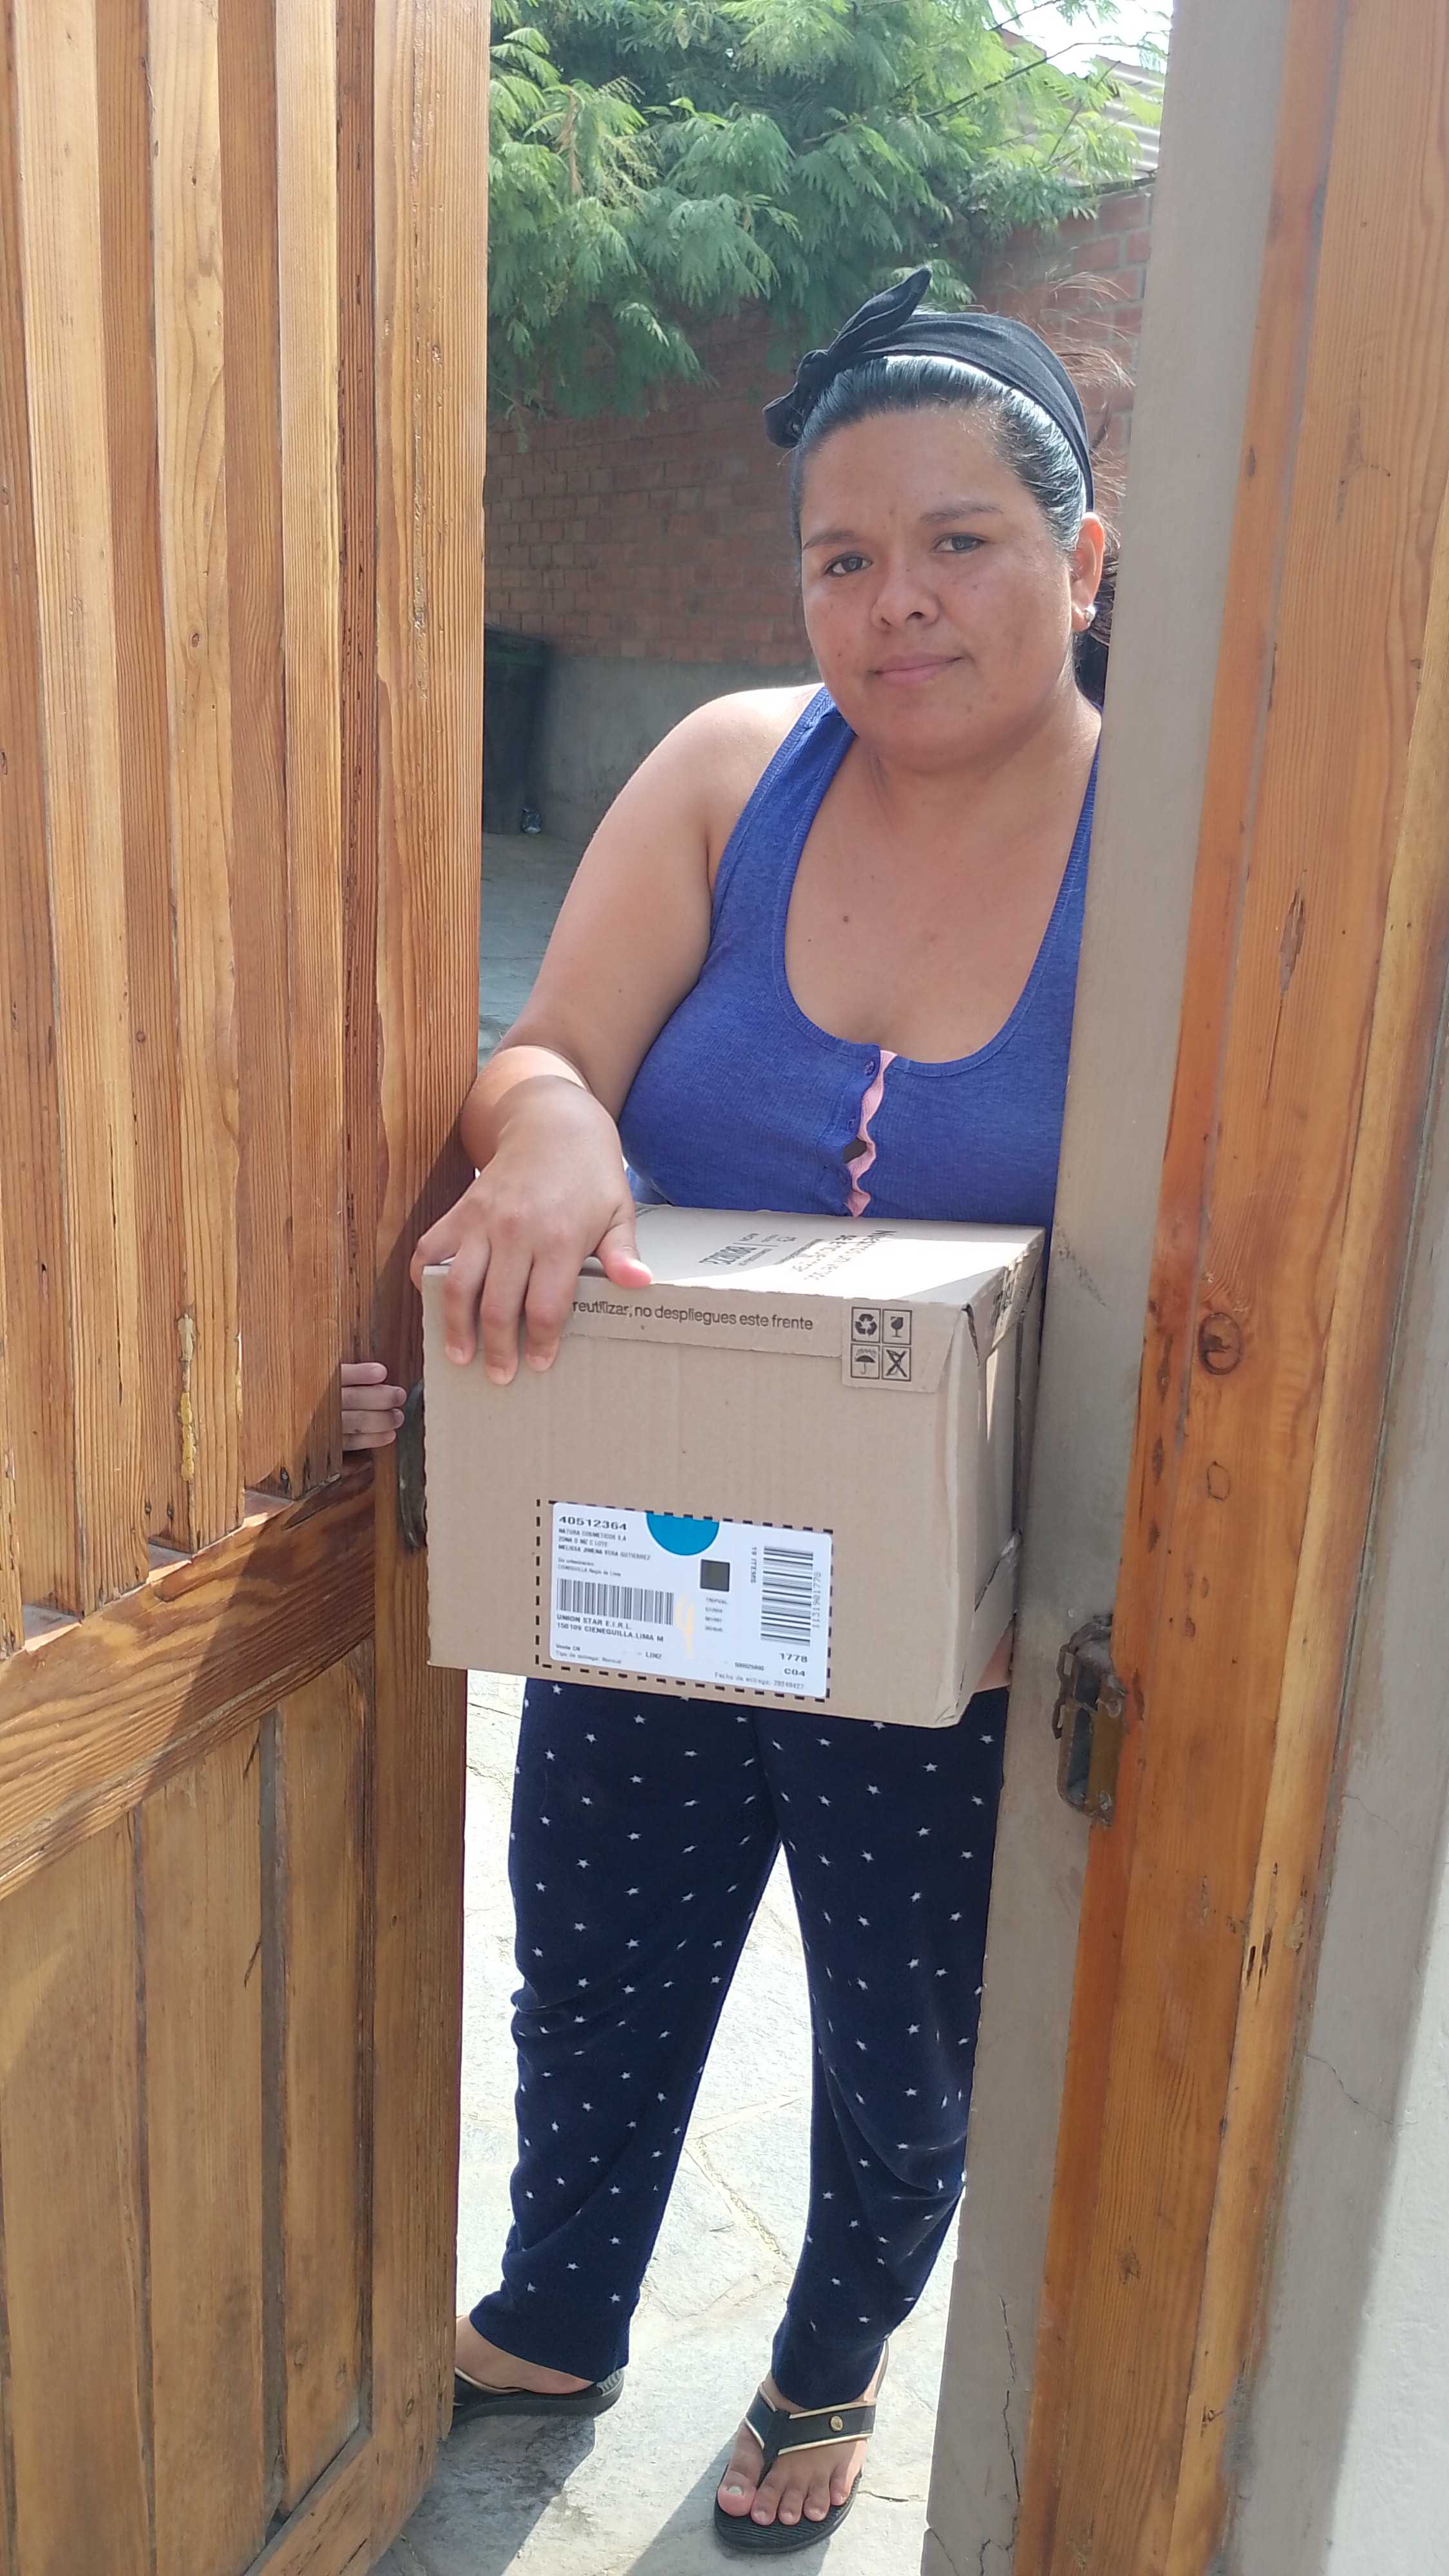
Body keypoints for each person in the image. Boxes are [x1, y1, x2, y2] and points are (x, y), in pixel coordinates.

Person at [344, 267, 1110, 2555]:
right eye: (841, 557)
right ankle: (559, 2302)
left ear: (1081, 559)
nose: (896, 604)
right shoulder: (724, 776)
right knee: (594, 1947)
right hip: (658, 1540)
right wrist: (549, 1135)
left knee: (905, 2031)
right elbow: (545, 1053)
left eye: (960, 543)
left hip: (962, 1619)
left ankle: (828, 2352)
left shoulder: (1170, 849)